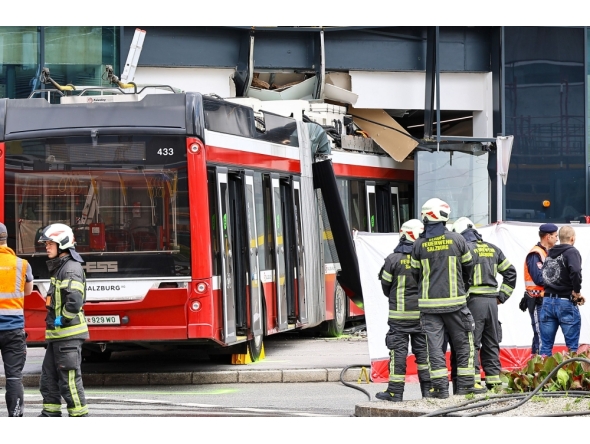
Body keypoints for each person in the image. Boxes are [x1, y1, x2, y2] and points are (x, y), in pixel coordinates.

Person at [410, 198, 484, 399]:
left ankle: (441, 389)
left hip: (428, 308)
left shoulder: (418, 245)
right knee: (464, 344)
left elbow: (415, 275)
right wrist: (463, 287)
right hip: (456, 305)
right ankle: (467, 385)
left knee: (434, 348)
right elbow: (469, 267)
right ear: (444, 216)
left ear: (425, 217)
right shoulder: (457, 240)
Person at [452, 217, 517, 390]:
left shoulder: (464, 250)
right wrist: (501, 296)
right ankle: (493, 381)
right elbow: (511, 273)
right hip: (492, 303)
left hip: (473, 302)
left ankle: (473, 381)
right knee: (491, 340)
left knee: (472, 341)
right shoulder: (493, 249)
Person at [375, 219, 432, 402]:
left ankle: (395, 393)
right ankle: (428, 393)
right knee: (424, 355)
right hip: (422, 317)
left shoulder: (393, 259)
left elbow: (385, 287)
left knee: (398, 354)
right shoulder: (425, 258)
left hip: (399, 318)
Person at [37, 223, 89, 417]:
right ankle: (50, 416)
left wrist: (63, 319)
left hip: (67, 335)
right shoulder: (61, 268)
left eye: (50, 243)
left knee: (69, 382)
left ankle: (79, 418)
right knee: (48, 380)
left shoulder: (70, 269)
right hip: (57, 337)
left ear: (62, 244)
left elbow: (74, 302)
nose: (46, 247)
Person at [0, 222, 34, 417]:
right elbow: (27, 292)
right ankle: (15, 417)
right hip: (13, 330)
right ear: (6, 239)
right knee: (14, 377)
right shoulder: (22, 264)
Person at [539, 225, 584, 356]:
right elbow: (575, 271)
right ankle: (570, 374)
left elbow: (544, 274)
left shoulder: (550, 252)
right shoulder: (572, 251)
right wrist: (577, 291)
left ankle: (543, 375)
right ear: (572, 238)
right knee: (572, 348)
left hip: (547, 301)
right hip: (565, 302)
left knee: (546, 346)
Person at [522, 223, 558, 355]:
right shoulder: (535, 254)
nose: (557, 239)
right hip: (537, 300)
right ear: (548, 237)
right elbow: (539, 279)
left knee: (541, 334)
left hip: (545, 299)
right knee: (541, 335)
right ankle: (542, 368)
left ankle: (535, 366)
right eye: (555, 236)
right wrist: (557, 279)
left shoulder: (546, 253)